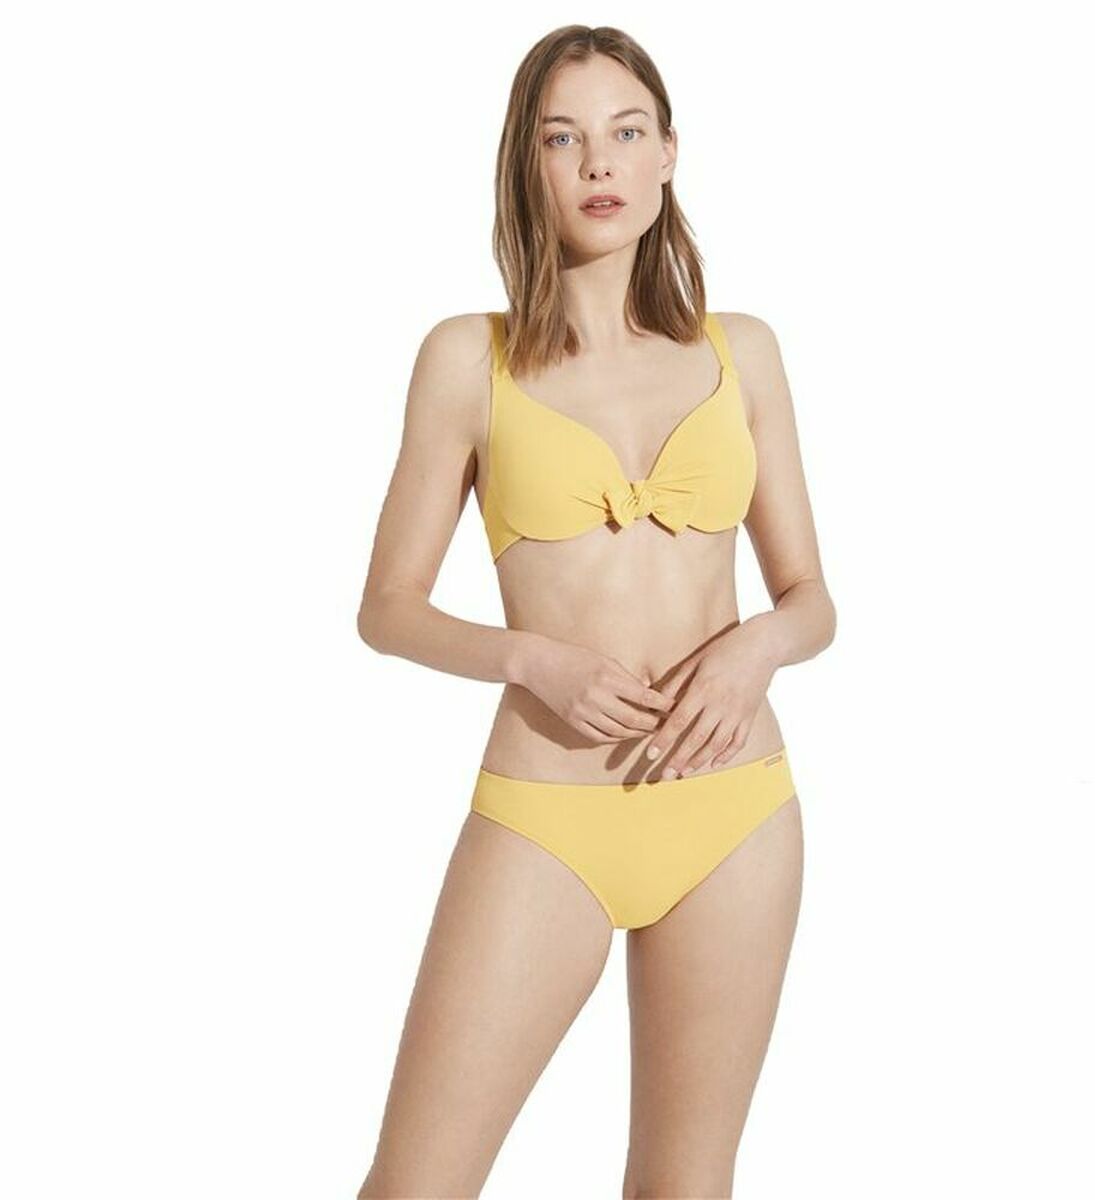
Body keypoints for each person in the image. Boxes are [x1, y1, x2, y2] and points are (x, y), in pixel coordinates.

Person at [354, 24, 836, 1200]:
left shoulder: (745, 353)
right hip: (546, 818)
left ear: (669, 153)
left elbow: (811, 599)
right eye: (563, 139)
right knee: (415, 1185)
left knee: (685, 1184)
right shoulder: (466, 360)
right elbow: (387, 608)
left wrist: (757, 653)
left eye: (625, 132)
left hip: (735, 811)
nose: (599, 162)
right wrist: (533, 660)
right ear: (527, 163)